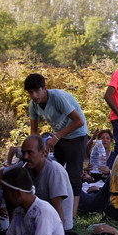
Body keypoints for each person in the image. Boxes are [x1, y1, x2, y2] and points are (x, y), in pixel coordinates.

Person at [24, 73, 89, 218]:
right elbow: (34, 131)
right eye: (30, 92)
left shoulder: (58, 98)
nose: (34, 95)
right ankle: (50, 209)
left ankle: (72, 215)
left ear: (44, 89)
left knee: (73, 174)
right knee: (52, 170)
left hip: (77, 135)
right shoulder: (33, 105)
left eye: (37, 91)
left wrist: (57, 136)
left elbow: (79, 121)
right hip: (59, 137)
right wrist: (38, 149)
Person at [0, 136, 74, 230]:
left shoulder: (54, 171)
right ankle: (13, 230)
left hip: (54, 226)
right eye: (23, 152)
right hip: (35, 223)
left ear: (44, 153)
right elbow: (1, 173)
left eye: (30, 152)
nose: (25, 157)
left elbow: (58, 211)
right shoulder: (26, 166)